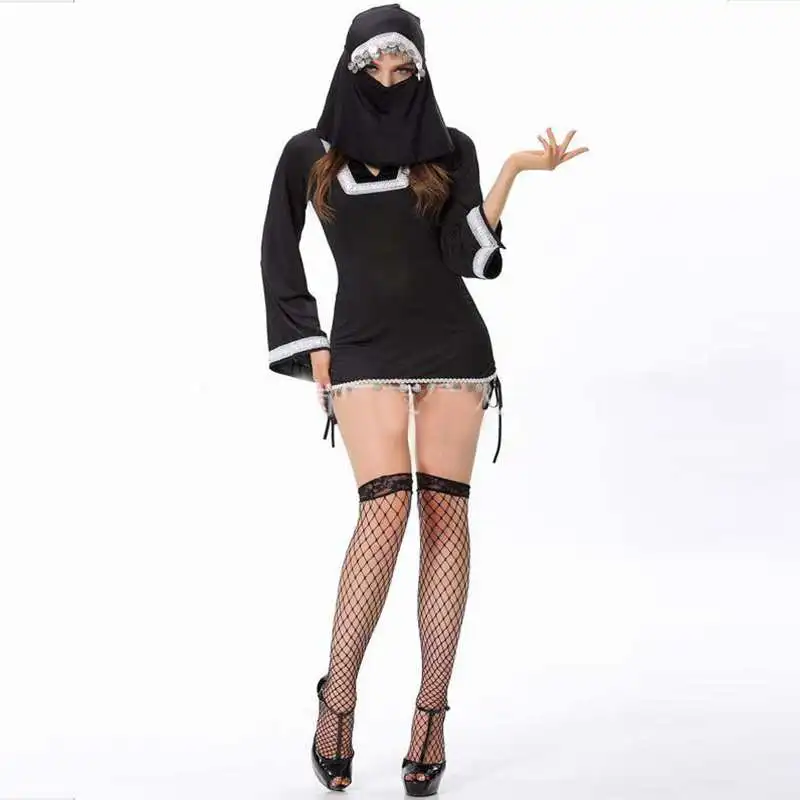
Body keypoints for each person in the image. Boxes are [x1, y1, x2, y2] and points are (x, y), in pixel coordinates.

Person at [259, 3, 588, 794]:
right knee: (386, 507)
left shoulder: (450, 149)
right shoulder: (309, 154)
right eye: (374, 68)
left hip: (452, 349)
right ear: (349, 70)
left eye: (403, 69)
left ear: (421, 73)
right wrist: (310, 342)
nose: (388, 80)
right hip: (363, 349)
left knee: (445, 514)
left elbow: (463, 254)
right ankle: (337, 699)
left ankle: (431, 717)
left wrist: (511, 172)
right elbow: (277, 249)